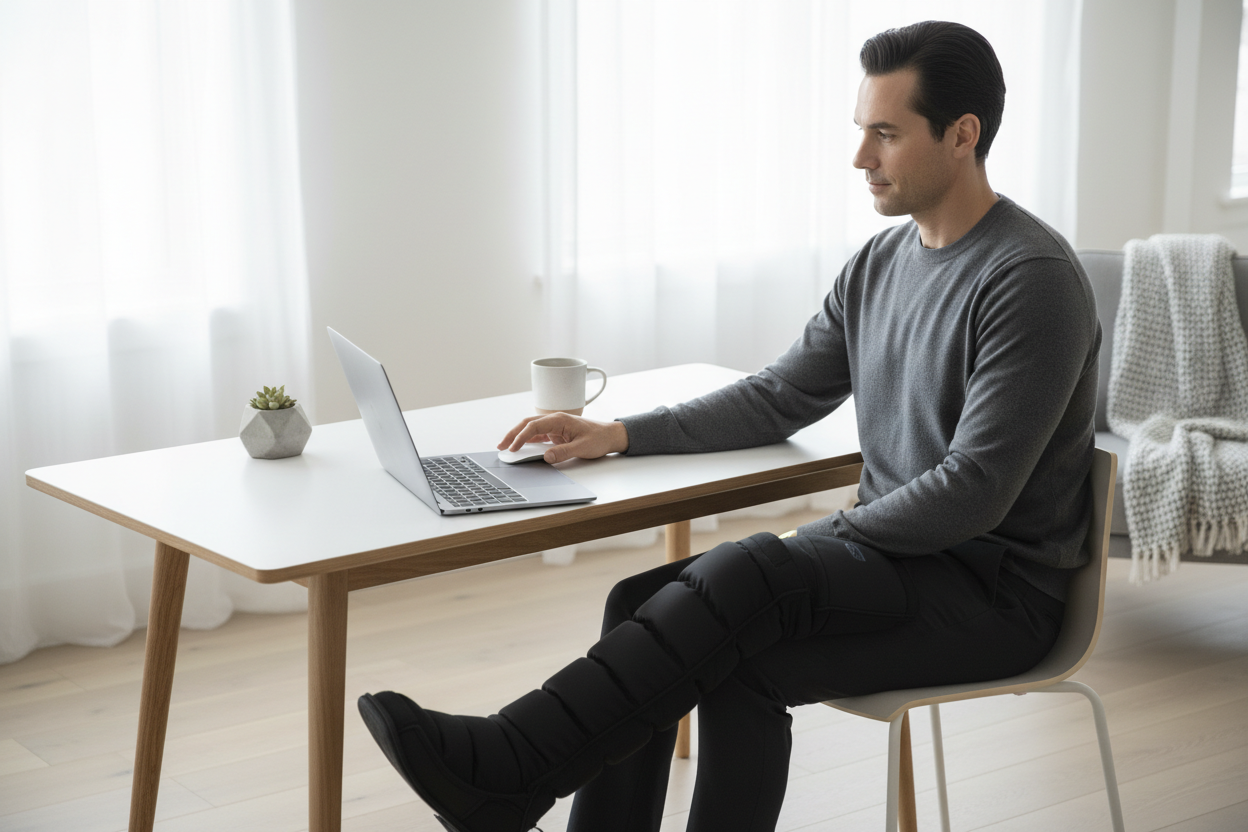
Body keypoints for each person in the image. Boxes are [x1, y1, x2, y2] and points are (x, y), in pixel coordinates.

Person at [357, 20, 1101, 832]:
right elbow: (781, 394)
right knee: (641, 599)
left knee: (747, 585)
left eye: (885, 134)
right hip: (892, 566)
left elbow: (973, 492)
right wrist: (621, 433)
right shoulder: (880, 264)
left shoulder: (1031, 281)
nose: (861, 159)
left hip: (993, 595)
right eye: (861, 132)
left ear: (963, 135)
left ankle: (510, 762)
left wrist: (816, 541)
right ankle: (524, 782)